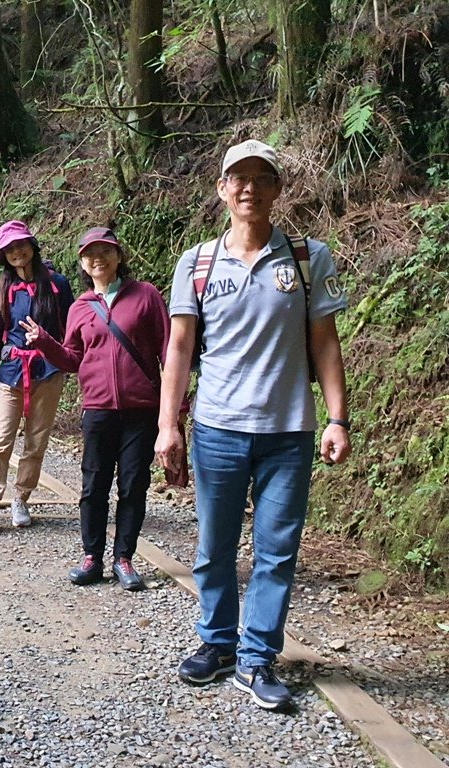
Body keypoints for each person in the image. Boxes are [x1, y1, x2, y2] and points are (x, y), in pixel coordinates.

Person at [154, 139, 352, 710]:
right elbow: (180, 348)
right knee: (214, 545)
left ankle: (256, 657)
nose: (249, 188)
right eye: (237, 178)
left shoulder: (309, 257)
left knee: (276, 550)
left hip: (289, 430)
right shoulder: (197, 262)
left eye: (261, 178)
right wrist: (169, 424)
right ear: (221, 189)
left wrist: (338, 418)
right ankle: (216, 641)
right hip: (218, 427)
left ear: (277, 190)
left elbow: (325, 344)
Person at [23, 227, 171, 590]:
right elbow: (74, 359)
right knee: (94, 485)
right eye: (90, 254)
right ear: (82, 264)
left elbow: (169, 351)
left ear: (119, 256)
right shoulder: (80, 308)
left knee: (134, 485)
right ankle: (92, 556)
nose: (97, 258)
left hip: (141, 409)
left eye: (105, 251)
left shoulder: (146, 296)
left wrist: (175, 410)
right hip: (99, 407)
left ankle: (124, 558)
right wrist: (44, 342)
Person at [0, 220, 74, 536]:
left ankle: (21, 497)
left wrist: (70, 361)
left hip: (48, 371)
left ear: (32, 245)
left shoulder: (57, 284)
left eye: (21, 245)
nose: (17, 252)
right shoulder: (3, 288)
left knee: (36, 440)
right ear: (3, 255)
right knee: (1, 440)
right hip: (12, 372)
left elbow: (71, 329)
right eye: (10, 248)